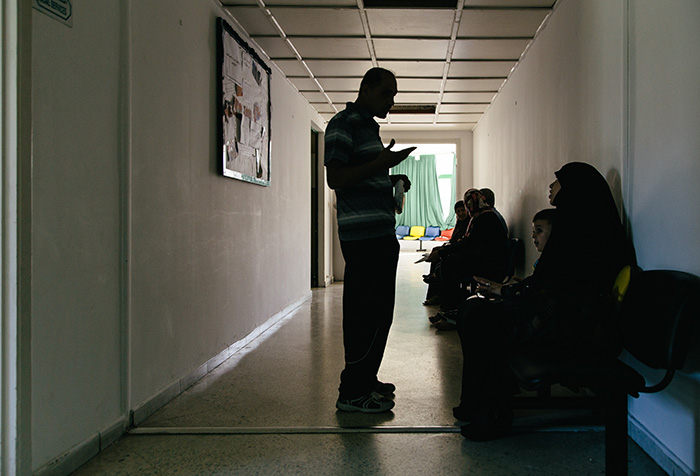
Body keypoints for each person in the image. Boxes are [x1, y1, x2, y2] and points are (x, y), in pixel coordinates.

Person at [453, 162, 636, 441]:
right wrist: (507, 292)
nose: (551, 187)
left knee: (481, 318)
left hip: (573, 324)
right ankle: (479, 403)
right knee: (472, 309)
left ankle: (491, 413)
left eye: (558, 181)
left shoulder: (582, 231)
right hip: (560, 312)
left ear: (574, 188)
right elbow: (549, 283)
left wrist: (507, 293)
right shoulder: (580, 225)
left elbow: (561, 290)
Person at [324, 67, 416, 413]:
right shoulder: (343, 123)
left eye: (393, 95)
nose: (391, 101)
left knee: (380, 313)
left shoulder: (367, 128)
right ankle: (352, 392)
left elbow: (362, 174)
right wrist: (380, 163)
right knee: (364, 314)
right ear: (365, 88)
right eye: (386, 94)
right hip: (363, 238)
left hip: (379, 234)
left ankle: (366, 378)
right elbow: (336, 177)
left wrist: (389, 176)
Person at [427, 188, 509, 328]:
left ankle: (451, 311)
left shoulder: (485, 217)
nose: (468, 208)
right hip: (488, 260)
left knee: (448, 264)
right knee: (448, 262)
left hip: (490, 265)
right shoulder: (484, 216)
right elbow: (470, 243)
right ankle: (449, 308)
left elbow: (469, 243)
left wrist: (443, 252)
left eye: (468, 204)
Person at [423, 200, 470, 305]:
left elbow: (462, 244)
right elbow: (454, 241)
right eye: (458, 211)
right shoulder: (460, 224)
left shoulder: (468, 225)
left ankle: (437, 288)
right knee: (436, 253)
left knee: (439, 259)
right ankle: (434, 289)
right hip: (455, 250)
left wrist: (445, 249)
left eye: (463, 210)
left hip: (460, 254)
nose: (461, 213)